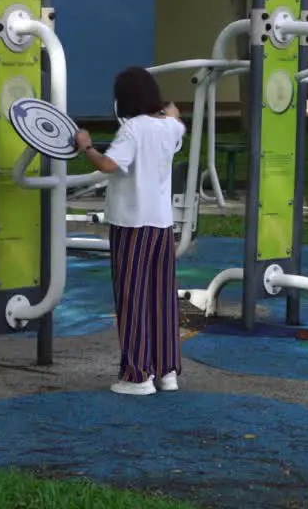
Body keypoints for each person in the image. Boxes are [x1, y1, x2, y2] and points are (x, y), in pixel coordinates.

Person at [75, 67, 186, 396]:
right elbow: (177, 117)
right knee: (162, 297)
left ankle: (137, 375)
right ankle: (167, 371)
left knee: (132, 297)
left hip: (131, 225)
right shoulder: (171, 127)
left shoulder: (132, 129)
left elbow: (110, 165)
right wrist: (169, 109)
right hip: (162, 224)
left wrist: (86, 146)